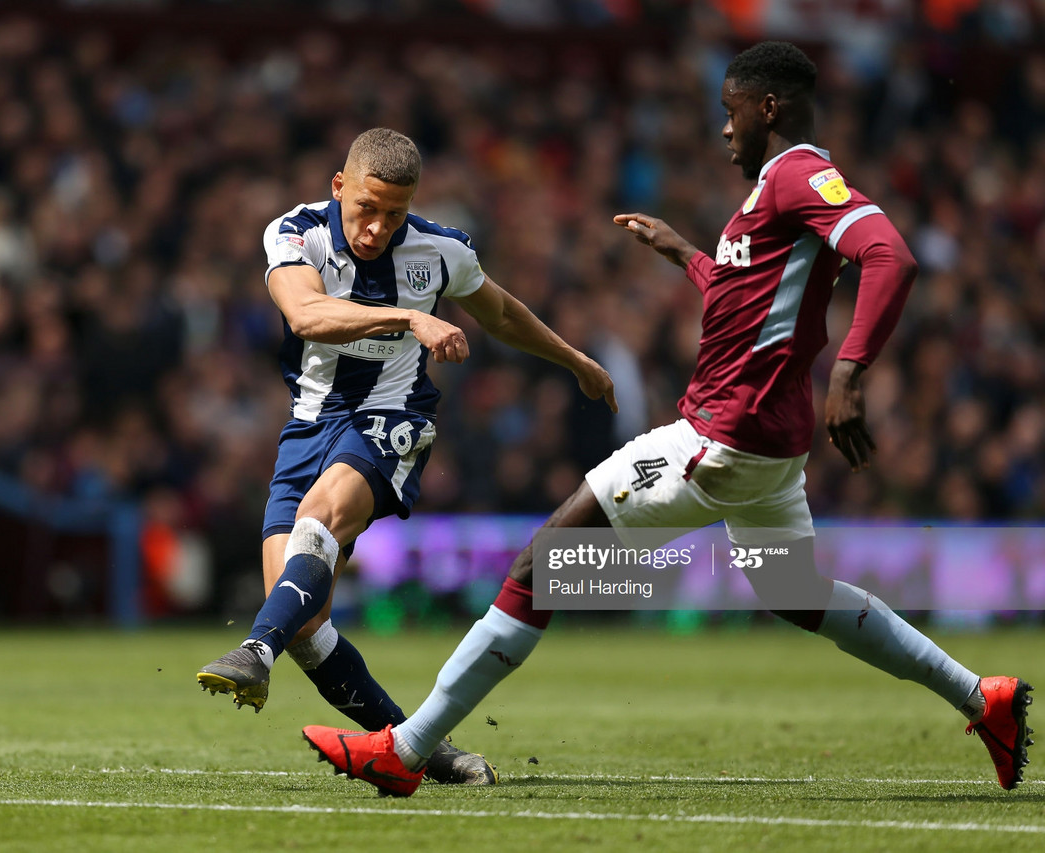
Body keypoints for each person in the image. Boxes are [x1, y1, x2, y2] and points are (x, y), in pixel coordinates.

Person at [301, 42, 1032, 797]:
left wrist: (851, 369)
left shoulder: (798, 175)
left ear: (767, 108)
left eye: (730, 110)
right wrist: (686, 254)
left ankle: (408, 748)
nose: (724, 128)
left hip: (721, 436)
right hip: (766, 455)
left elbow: (890, 256)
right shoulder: (771, 195)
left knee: (544, 563)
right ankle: (984, 699)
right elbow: (752, 298)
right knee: (795, 590)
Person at [196, 127, 616, 785]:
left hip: (393, 418)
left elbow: (500, 312)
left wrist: (574, 359)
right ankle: (425, 750)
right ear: (339, 187)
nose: (377, 228)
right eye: (366, 208)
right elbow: (305, 314)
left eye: (394, 213)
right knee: (305, 622)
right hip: (308, 428)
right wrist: (409, 318)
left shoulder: (439, 249)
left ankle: (253, 650)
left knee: (319, 522)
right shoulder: (295, 233)